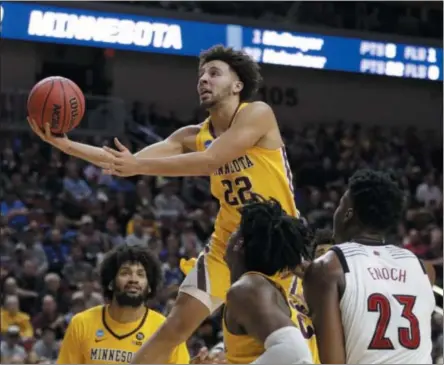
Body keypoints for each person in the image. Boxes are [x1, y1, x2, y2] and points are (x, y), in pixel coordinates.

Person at [29, 45, 300, 363]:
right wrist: (64, 144)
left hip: (278, 241)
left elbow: (211, 159)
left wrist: (138, 167)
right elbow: (122, 162)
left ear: (238, 85)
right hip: (228, 243)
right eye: (201, 74)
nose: (203, 79)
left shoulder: (257, 113)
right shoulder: (191, 135)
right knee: (175, 327)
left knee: (289, 337)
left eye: (214, 73)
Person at [303, 169, 436, 364]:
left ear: (348, 214)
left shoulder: (328, 268)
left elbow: (332, 362)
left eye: (340, 205)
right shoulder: (424, 269)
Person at [56, 244, 189, 364]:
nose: (133, 279)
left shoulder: (166, 330)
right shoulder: (81, 323)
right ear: (111, 283)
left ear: (149, 287)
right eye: (125, 273)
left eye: (141, 274)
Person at [222, 198, 314, 364]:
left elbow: (294, 353)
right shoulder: (267, 291)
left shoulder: (248, 289)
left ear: (239, 243)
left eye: (234, 231)